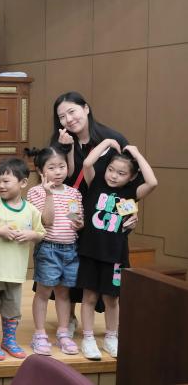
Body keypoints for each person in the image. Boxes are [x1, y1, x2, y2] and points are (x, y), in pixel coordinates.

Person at [49, 91, 139, 333]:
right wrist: (65, 148)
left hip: (104, 215)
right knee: (67, 262)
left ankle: (105, 327)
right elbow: (62, 176)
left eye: (72, 111)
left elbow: (129, 179)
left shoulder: (113, 138)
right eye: (62, 116)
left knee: (100, 271)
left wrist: (132, 212)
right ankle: (67, 317)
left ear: (86, 108)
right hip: (71, 211)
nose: (68, 119)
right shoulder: (59, 142)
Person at [77, 140, 157, 360]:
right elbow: (87, 162)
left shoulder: (131, 192)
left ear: (131, 177)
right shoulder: (95, 184)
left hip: (115, 255)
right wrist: (108, 142)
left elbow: (152, 182)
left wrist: (137, 154)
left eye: (121, 173)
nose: (113, 175)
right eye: (111, 170)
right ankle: (88, 338)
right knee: (89, 297)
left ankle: (112, 337)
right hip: (91, 251)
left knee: (112, 299)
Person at [0, 158, 46, 361]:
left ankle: (9, 340)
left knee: (12, 308)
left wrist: (30, 235)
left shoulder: (31, 210)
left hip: (16, 272)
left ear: (23, 183)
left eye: (6, 181)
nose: (1, 185)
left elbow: (41, 233)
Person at [27, 146, 84, 356]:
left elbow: (78, 222)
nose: (58, 171)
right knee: (43, 292)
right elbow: (46, 221)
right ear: (41, 171)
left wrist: (79, 223)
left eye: (62, 166)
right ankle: (40, 334)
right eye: (52, 167)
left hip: (71, 249)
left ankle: (63, 334)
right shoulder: (36, 192)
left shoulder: (74, 193)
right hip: (48, 248)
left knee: (63, 292)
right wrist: (49, 194)